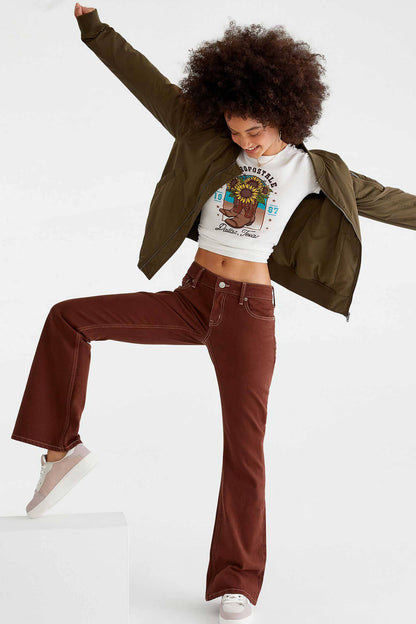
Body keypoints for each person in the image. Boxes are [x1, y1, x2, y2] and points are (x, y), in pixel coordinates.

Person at [10, 4, 416, 623]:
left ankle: (237, 581)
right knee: (69, 318)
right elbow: (145, 82)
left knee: (244, 447)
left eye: (255, 132)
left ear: (285, 115)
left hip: (249, 313)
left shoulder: (317, 170)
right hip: (192, 296)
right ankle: (59, 451)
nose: (244, 142)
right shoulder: (206, 137)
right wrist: (93, 25)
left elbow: (393, 202)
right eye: (235, 131)